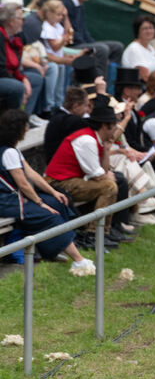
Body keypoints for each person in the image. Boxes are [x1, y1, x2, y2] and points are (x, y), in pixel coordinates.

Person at [0, 109, 93, 273]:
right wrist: (40, 203)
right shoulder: (8, 152)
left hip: (14, 199)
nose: (27, 129)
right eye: (25, 126)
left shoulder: (12, 150)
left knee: (58, 202)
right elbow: (24, 184)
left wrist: (52, 192)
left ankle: (56, 249)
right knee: (49, 215)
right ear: (17, 129)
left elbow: (32, 175)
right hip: (6, 201)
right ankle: (79, 261)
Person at [44, 96, 128, 249]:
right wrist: (106, 175)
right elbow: (96, 173)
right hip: (57, 181)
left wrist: (107, 151)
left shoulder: (96, 138)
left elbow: (104, 170)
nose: (116, 129)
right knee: (109, 187)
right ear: (105, 125)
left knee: (111, 183)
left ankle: (104, 231)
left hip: (71, 179)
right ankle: (95, 233)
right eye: (114, 125)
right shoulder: (87, 140)